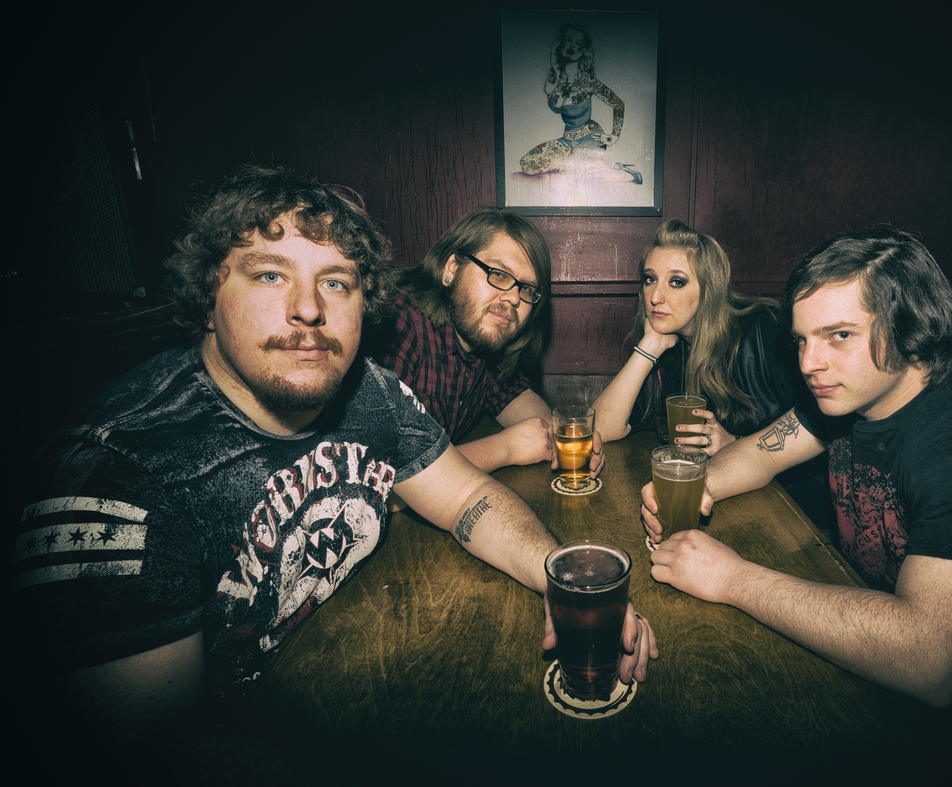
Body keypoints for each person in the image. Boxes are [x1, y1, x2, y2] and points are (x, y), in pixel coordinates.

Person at [12, 167, 655, 746]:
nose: (308, 309)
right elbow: (154, 758)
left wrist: (564, 581)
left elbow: (467, 496)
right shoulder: (115, 476)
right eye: (270, 274)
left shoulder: (372, 392)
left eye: (336, 282)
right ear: (209, 294)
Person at [642, 227, 952, 708]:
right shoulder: (851, 397)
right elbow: (761, 452)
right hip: (865, 647)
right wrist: (697, 483)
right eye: (801, 340)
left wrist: (731, 578)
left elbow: (932, 660)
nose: (808, 363)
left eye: (839, 335)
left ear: (913, 326)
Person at [368, 206, 603, 477]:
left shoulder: (484, 341)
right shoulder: (394, 321)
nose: (514, 298)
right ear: (452, 267)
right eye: (499, 274)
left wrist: (563, 435)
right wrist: (504, 449)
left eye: (527, 289)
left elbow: (515, 397)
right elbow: (375, 474)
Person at [593, 219, 798, 454]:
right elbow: (599, 430)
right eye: (650, 279)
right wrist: (649, 347)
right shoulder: (666, 346)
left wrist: (736, 443)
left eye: (676, 282)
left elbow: (814, 428)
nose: (655, 297)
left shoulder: (765, 328)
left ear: (709, 290)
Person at [518, 21, 641, 184]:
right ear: (560, 44)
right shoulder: (553, 80)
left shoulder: (586, 80)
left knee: (569, 173)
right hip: (567, 139)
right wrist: (557, 73)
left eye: (578, 43)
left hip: (591, 137)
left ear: (583, 50)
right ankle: (584, 164)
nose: (572, 46)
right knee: (528, 163)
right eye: (568, 40)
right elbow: (555, 107)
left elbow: (618, 104)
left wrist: (614, 135)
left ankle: (627, 174)